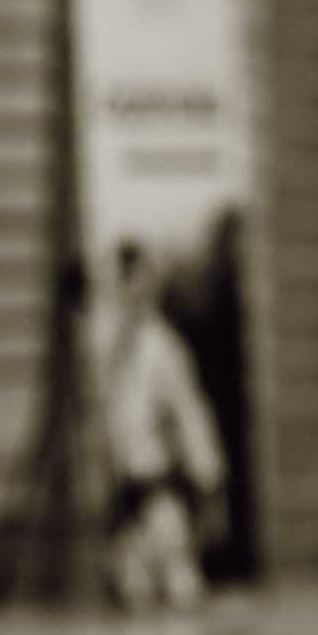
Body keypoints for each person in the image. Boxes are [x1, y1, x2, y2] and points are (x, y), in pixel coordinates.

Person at [95, 240, 230, 613]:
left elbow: (188, 413)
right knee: (132, 587)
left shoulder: (164, 347)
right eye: (123, 282)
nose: (131, 291)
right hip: (121, 493)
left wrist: (207, 472)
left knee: (179, 582)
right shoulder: (103, 345)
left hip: (158, 484)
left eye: (138, 281)